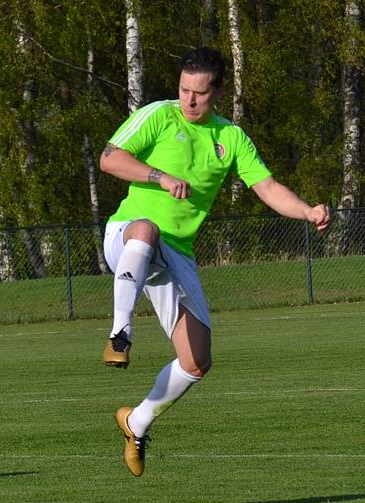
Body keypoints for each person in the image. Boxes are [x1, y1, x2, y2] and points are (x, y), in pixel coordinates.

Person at [98, 47, 330, 477]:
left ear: (218, 92)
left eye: (199, 94)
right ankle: (119, 335)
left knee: (196, 361)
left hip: (176, 254)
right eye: (184, 90)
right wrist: (159, 177)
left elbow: (268, 187)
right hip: (128, 235)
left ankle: (136, 422)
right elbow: (109, 158)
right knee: (146, 228)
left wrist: (307, 212)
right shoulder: (158, 115)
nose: (189, 100)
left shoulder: (231, 139)